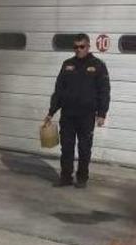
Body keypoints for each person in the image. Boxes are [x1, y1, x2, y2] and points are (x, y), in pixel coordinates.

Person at [44, 33, 111, 188]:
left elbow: (104, 91)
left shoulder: (98, 65)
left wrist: (101, 114)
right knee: (66, 147)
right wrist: (51, 112)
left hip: (86, 115)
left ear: (88, 47)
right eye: (76, 47)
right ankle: (66, 177)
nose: (78, 50)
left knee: (84, 148)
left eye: (81, 46)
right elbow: (59, 91)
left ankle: (82, 178)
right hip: (68, 114)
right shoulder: (67, 64)